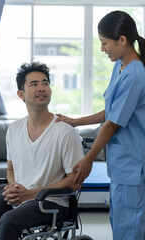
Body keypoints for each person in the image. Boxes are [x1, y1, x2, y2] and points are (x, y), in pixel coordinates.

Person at [56, 10, 145, 240]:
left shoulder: (136, 75)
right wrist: (75, 121)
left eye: (104, 43)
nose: (103, 49)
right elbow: (111, 111)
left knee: (130, 230)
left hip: (132, 166)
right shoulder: (121, 66)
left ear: (122, 40)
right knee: (119, 223)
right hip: (121, 166)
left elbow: (111, 124)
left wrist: (89, 158)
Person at [0, 61, 84, 240]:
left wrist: (30, 194)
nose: (41, 88)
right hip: (20, 200)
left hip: (51, 203)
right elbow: (11, 169)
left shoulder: (65, 131)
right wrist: (14, 188)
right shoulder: (14, 129)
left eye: (45, 83)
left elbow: (75, 181)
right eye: (34, 84)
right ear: (20, 94)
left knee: (9, 221)